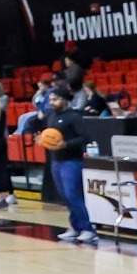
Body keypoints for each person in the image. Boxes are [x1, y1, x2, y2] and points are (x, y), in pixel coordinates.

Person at [42, 90, 98, 244]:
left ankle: (88, 229)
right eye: (50, 99)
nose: (51, 102)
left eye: (54, 99)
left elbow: (86, 138)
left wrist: (66, 144)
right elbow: (49, 137)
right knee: (64, 196)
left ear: (64, 100)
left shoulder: (74, 117)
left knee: (73, 195)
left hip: (72, 161)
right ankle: (76, 227)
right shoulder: (51, 116)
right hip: (56, 161)